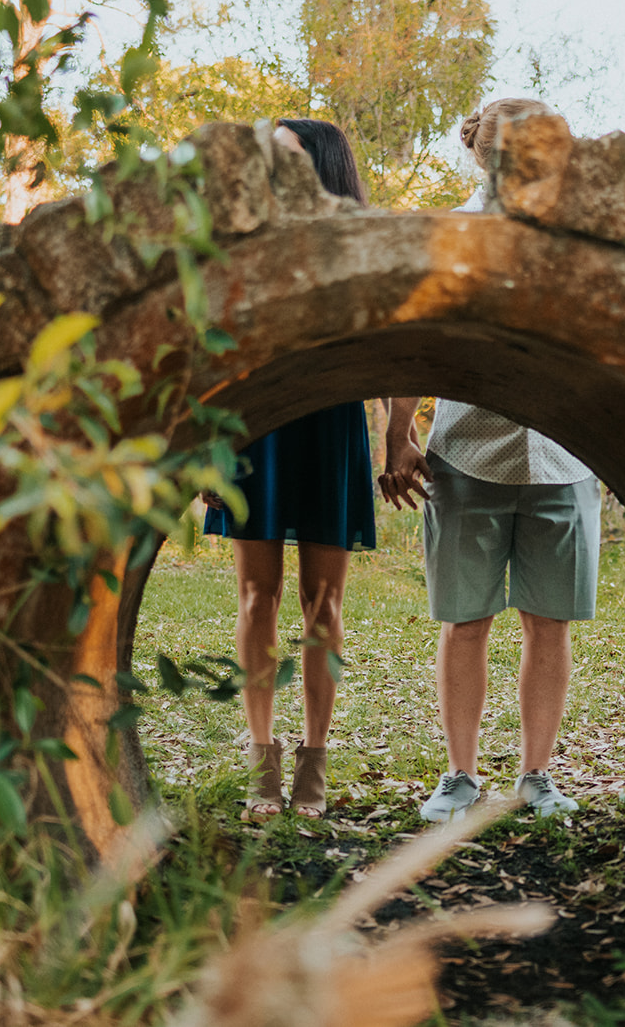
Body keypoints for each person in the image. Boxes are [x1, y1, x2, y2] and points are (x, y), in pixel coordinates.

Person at [379, 98, 600, 823]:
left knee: (549, 624)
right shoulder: (453, 232)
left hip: (563, 460)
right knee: (466, 622)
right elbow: (417, 339)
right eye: (511, 143)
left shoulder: (577, 243)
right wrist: (398, 432)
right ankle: (460, 778)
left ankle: (538, 776)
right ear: (482, 151)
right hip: (466, 453)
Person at [203, 119, 376, 818]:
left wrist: (397, 432)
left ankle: (314, 759)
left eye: (289, 152)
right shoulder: (243, 236)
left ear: (323, 165)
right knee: (256, 599)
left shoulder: (359, 239)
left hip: (332, 424)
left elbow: (391, 335)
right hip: (256, 428)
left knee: (323, 608)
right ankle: (261, 758)